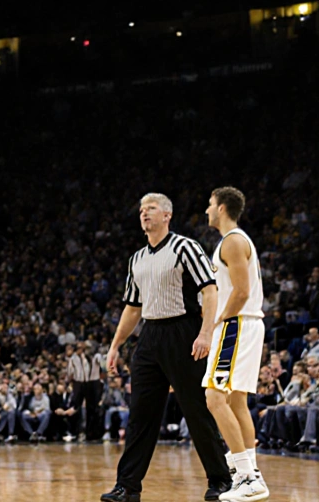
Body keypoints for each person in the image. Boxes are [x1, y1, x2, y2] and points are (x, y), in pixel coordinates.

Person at [101, 194, 232, 502]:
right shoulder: (136, 259)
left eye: (151, 209)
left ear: (167, 215)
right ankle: (128, 486)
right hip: (149, 336)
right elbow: (132, 308)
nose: (144, 214)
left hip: (183, 333)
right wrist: (115, 345)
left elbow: (210, 291)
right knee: (140, 415)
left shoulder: (186, 247)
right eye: (141, 210)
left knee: (197, 411)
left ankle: (221, 480)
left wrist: (205, 334)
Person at [201, 187, 269, 502]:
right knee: (236, 402)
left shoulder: (233, 241)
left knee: (214, 398)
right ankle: (251, 476)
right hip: (247, 325)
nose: (206, 210)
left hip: (238, 324)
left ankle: (244, 475)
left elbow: (240, 292)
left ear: (223, 207)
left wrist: (219, 321)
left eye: (210, 205)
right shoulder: (234, 241)